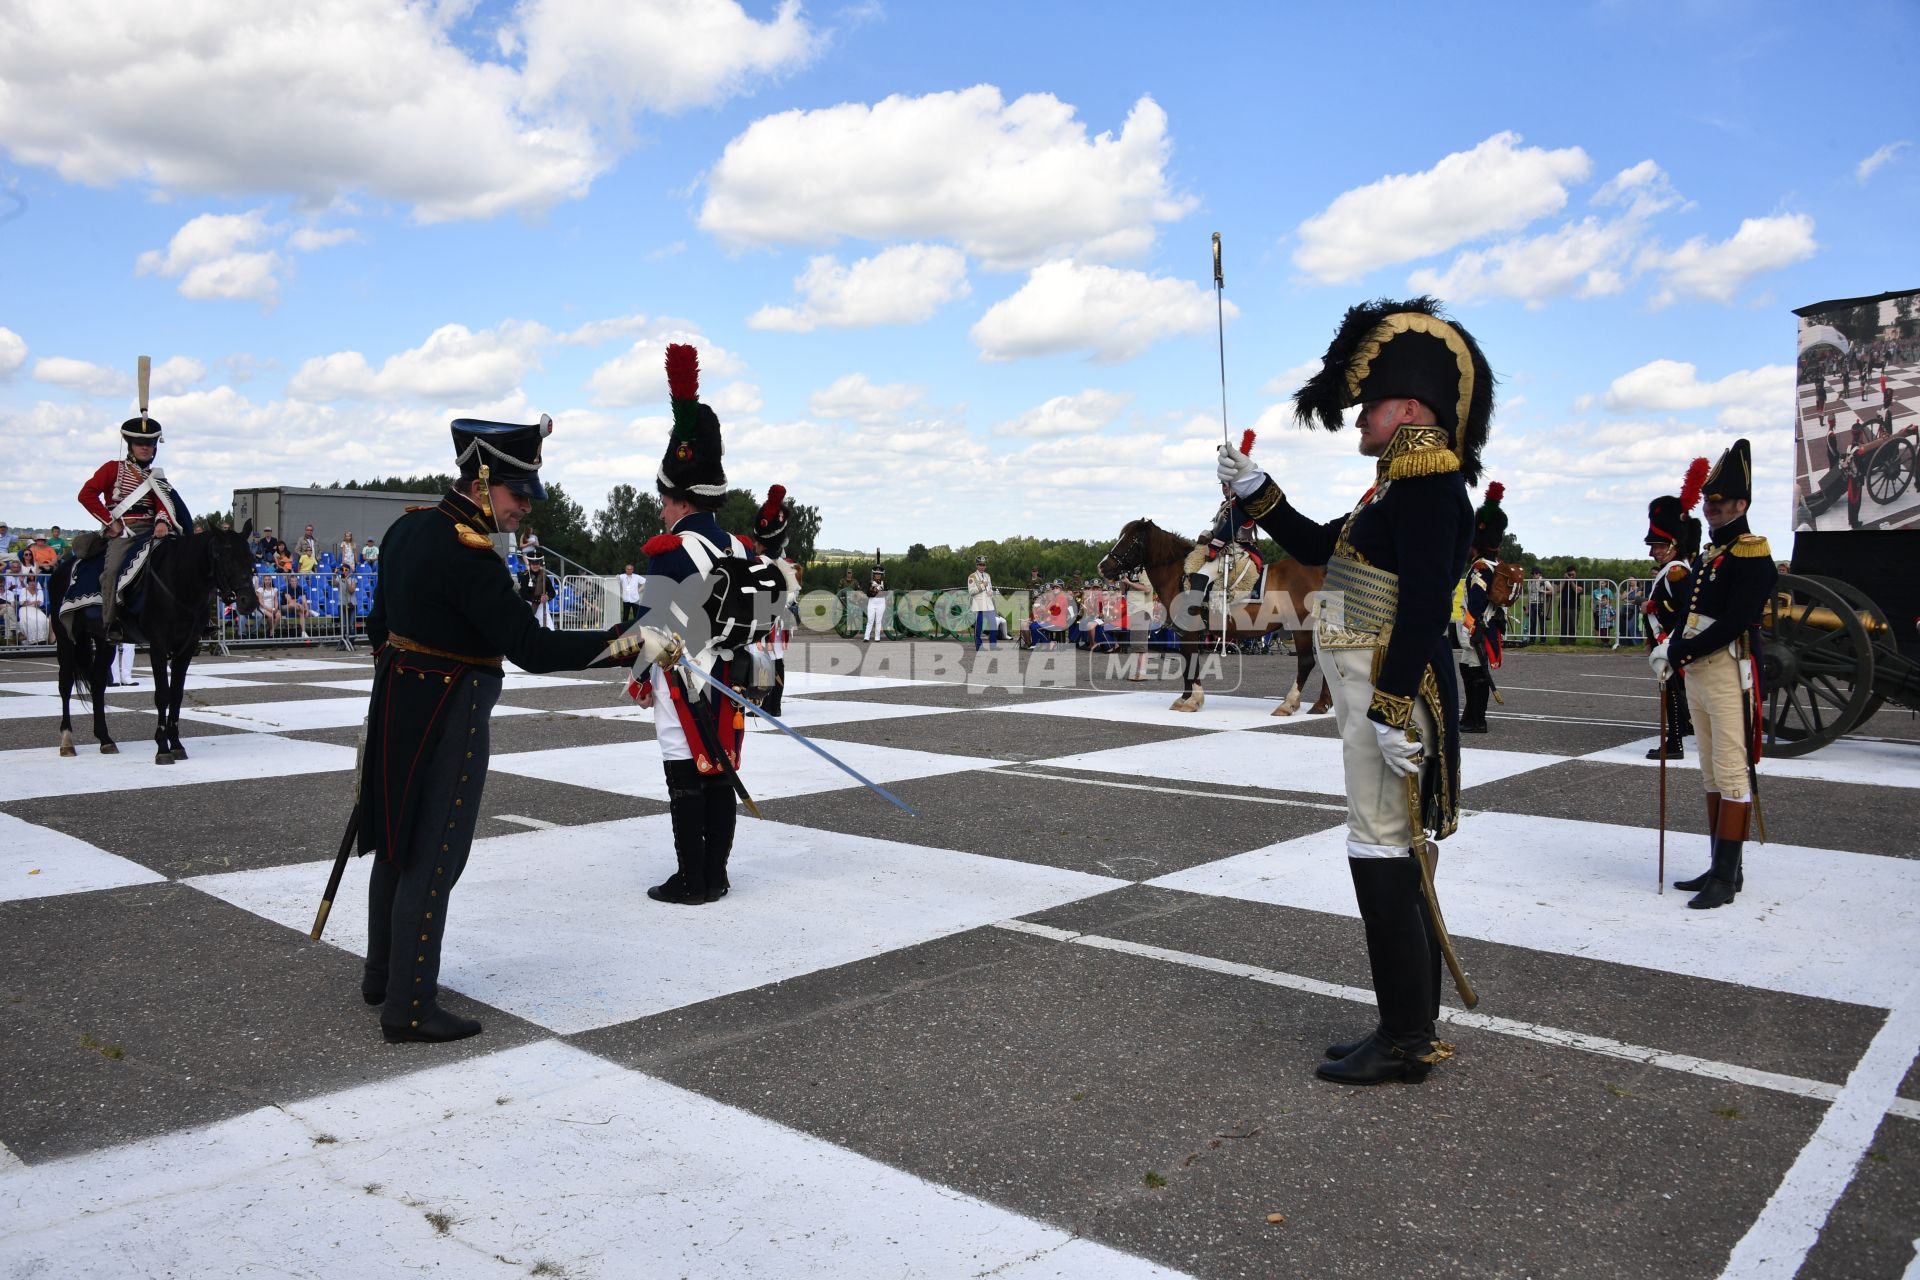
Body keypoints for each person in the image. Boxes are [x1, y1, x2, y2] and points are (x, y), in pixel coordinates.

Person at [1217, 295, 1491, 1085]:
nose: (1360, 416)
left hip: (1390, 697)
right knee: (1392, 856)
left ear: (1410, 407)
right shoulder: (1392, 491)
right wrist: (1259, 492)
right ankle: (1409, 1025)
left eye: (1371, 403)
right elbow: (1316, 546)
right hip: (1374, 695)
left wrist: (1394, 708)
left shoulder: (1432, 489)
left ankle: (1405, 1038)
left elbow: (1423, 607)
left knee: (1380, 853)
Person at [357, 412, 643, 1044]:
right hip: (449, 710)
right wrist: (624, 643)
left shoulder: (408, 531)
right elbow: (531, 648)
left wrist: (402, 669)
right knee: (434, 854)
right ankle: (408, 1006)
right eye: (518, 496)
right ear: (483, 481)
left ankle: (382, 974)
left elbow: (377, 625)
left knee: (394, 837)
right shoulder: (471, 553)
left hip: (401, 700)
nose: (524, 510)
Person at [626, 345, 791, 905]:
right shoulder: (738, 543)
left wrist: (638, 678)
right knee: (722, 767)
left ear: (674, 496)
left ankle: (690, 878)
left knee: (683, 770)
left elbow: (651, 624)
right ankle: (717, 874)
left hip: (683, 676)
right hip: (733, 676)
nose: (661, 509)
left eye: (663, 499)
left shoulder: (669, 548)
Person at [1650, 439, 1777, 910]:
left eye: (1718, 503)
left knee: (1730, 770)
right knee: (1709, 772)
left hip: (1727, 668)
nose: (1710, 509)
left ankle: (1726, 875)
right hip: (1698, 669)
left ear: (1741, 505)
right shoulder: (1709, 555)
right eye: (1708, 501)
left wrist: (1680, 649)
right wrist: (1671, 647)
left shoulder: (1752, 554)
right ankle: (1721, 866)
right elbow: (1691, 613)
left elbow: (1734, 622)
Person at [77, 408, 190, 639]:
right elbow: (86, 495)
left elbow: (163, 504)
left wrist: (162, 521)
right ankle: (110, 622)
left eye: (149, 443)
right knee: (113, 571)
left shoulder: (156, 477)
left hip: (154, 530)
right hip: (125, 531)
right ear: (131, 445)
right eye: (140, 443)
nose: (145, 447)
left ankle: (189, 618)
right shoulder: (112, 469)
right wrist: (111, 523)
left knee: (185, 563)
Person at [1642, 461, 1706, 760]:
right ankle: (1680, 734)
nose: (1652, 551)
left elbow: (1684, 607)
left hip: (1669, 639)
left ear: (1671, 544)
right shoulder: (1671, 568)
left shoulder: (1676, 572)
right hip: (1667, 638)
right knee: (1674, 691)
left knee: (1671, 694)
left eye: (1656, 545)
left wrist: (1655, 607)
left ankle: (1675, 743)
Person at [1455, 482, 1508, 734]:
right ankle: (1470, 715)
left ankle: (1477, 719)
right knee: (1468, 670)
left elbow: (1476, 602)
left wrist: (1471, 627)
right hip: (1483, 628)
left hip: (1478, 629)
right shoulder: (1493, 565)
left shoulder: (1480, 568)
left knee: (1476, 674)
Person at [967, 556, 998, 650]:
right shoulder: (972, 576)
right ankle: (979, 646)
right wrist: (982, 586)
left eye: (984, 565)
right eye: (980, 565)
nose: (982, 566)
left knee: (993, 624)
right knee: (979, 627)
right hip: (979, 605)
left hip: (989, 604)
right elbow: (971, 591)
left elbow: (990, 589)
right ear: (977, 565)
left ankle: (993, 645)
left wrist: (992, 592)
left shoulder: (988, 575)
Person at [863, 565, 889, 641]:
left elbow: (886, 594)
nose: (877, 575)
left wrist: (878, 591)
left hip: (881, 603)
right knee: (870, 620)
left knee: (878, 621)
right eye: (876, 574)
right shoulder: (871, 583)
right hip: (872, 602)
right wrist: (875, 591)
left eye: (879, 574)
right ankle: (866, 637)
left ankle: (877, 637)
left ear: (881, 575)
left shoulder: (884, 583)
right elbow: (868, 594)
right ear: (874, 575)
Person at [618, 563, 643, 627]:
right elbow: (616, 579)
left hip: (635, 599)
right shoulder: (622, 576)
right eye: (628, 569)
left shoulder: (637, 577)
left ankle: (637, 628)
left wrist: (639, 590)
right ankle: (624, 629)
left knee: (637, 615)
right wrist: (620, 591)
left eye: (630, 569)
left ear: (633, 570)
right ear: (625, 570)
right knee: (625, 616)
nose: (629, 570)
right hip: (626, 599)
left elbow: (646, 582)